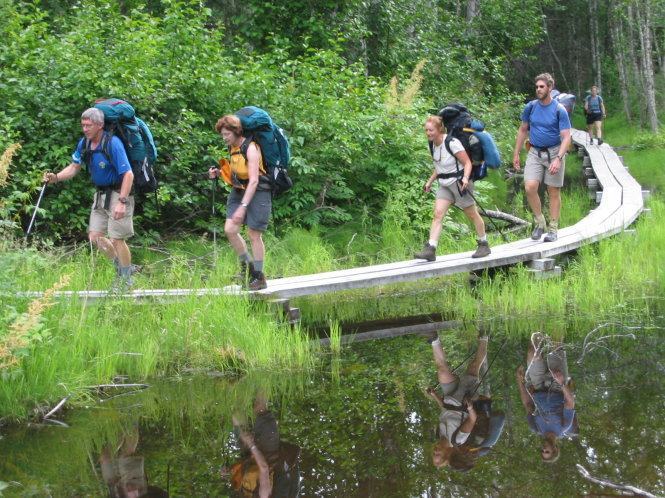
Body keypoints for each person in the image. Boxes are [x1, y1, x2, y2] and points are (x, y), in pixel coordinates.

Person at [43, 108, 135, 288]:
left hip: (119, 193)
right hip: (100, 194)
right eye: (83, 125)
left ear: (100, 125)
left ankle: (126, 280)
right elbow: (74, 166)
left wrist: (122, 202)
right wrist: (56, 177)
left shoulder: (113, 143)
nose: (85, 129)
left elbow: (129, 174)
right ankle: (122, 267)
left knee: (117, 239)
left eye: (89, 125)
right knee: (95, 236)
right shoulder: (84, 143)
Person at [414, 115, 491, 262]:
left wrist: (466, 179)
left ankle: (484, 244)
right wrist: (429, 182)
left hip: (459, 183)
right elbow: (439, 166)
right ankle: (431, 249)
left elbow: (467, 163)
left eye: (431, 130)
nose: (428, 133)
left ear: (439, 129)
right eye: (426, 130)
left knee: (472, 214)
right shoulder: (431, 144)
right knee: (438, 214)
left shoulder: (452, 142)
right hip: (444, 185)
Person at [208, 115, 271, 291]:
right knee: (230, 229)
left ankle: (259, 276)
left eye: (227, 134)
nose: (224, 137)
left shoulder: (251, 148)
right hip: (238, 188)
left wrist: (243, 207)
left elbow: (254, 180)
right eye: (222, 134)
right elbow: (237, 172)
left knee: (253, 234)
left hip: (258, 190)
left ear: (236, 132)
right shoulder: (232, 147)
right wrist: (219, 173)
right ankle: (248, 267)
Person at [513, 73, 572, 243]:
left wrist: (558, 158)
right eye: (537, 86)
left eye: (542, 86)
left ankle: (553, 228)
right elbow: (523, 129)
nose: (538, 89)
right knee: (530, 187)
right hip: (534, 152)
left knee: (553, 191)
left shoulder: (559, 110)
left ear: (550, 88)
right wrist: (516, 153)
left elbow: (566, 136)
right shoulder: (530, 107)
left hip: (554, 152)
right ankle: (540, 222)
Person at [423, 332, 489, 471]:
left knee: (442, 371)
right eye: (438, 454)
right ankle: (484, 337)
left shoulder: (439, 434)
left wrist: (435, 396)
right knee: (473, 366)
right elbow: (472, 420)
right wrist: (470, 408)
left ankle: (434, 338)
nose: (435, 451)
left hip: (448, 397)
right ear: (447, 454)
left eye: (433, 453)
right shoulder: (459, 439)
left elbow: (445, 410)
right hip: (462, 399)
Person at [224, 392, 301, 497]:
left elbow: (247, 477)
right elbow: (264, 468)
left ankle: (236, 383)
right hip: (269, 453)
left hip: (252, 456)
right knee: (259, 408)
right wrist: (251, 444)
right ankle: (263, 378)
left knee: (237, 416)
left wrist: (230, 471)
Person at [515, 333, 576, 463]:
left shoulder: (535, 428)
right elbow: (570, 402)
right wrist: (561, 382)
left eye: (542, 451)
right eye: (547, 451)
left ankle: (537, 325)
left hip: (537, 386)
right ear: (555, 449)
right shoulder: (564, 427)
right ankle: (556, 322)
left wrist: (519, 381)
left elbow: (527, 404)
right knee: (556, 345)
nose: (543, 449)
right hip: (557, 386)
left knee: (532, 353)